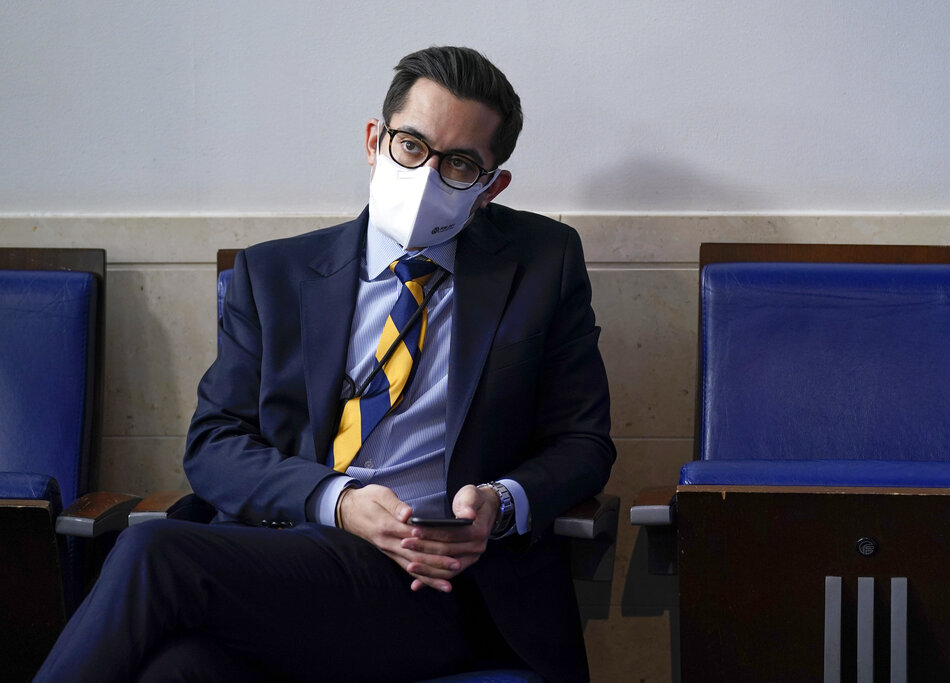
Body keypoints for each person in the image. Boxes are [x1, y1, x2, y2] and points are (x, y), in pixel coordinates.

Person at [35, 46, 614, 683]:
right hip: (282, 554)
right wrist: (336, 502)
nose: (425, 175)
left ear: (490, 186)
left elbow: (582, 442)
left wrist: (502, 504)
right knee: (177, 670)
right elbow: (214, 444)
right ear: (375, 140)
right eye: (411, 147)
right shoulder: (275, 274)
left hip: (431, 586)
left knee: (151, 550)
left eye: (458, 165)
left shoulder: (541, 263)